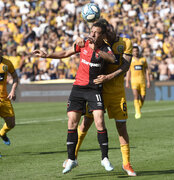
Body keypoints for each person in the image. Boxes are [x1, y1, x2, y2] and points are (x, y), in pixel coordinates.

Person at [32, 22, 116, 174]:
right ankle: (72, 159)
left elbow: (112, 59)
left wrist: (96, 49)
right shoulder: (83, 43)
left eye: (97, 32)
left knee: (99, 121)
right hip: (78, 88)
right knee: (72, 122)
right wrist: (47, 55)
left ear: (102, 35)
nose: (93, 34)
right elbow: (65, 54)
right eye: (92, 31)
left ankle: (104, 158)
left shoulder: (105, 48)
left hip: (93, 89)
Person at [73, 19, 137, 176]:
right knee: (85, 123)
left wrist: (108, 77)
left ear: (113, 30)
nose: (107, 35)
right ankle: (72, 157)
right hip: (98, 90)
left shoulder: (125, 42)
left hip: (117, 92)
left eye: (109, 31)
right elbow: (82, 45)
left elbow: (125, 66)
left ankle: (126, 163)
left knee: (121, 127)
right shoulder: (99, 44)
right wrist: (78, 39)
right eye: (105, 33)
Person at [0, 42, 19, 146]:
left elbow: (15, 77)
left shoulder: (7, 63)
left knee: (11, 124)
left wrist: (13, 90)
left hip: (4, 99)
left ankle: (2, 133)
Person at [126, 46, 150, 119]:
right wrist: (127, 81)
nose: (135, 52)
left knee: (143, 97)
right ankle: (138, 112)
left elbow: (146, 71)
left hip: (142, 81)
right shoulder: (131, 60)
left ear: (138, 51)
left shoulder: (143, 60)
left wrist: (148, 81)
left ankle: (138, 108)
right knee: (136, 96)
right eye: (133, 51)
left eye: (136, 51)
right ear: (132, 52)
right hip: (134, 81)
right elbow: (128, 71)